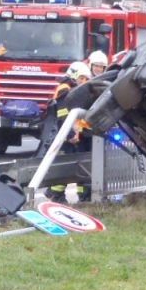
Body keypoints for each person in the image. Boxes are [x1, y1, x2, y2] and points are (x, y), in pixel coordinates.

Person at [44, 61, 92, 202]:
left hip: (75, 134)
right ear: (73, 75)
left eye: (86, 79)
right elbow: (64, 114)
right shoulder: (65, 90)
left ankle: (84, 196)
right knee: (67, 165)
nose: (83, 82)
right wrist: (71, 134)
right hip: (66, 135)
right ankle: (55, 194)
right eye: (81, 78)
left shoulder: (74, 89)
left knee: (80, 164)